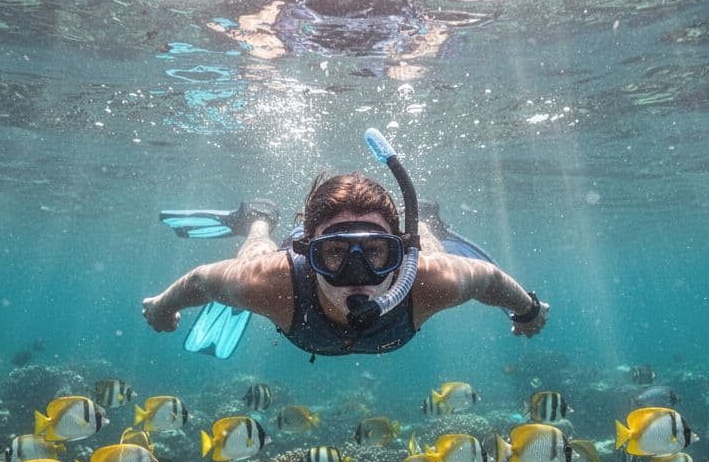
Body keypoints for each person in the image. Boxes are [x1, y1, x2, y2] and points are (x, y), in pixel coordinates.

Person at [142, 149, 547, 359]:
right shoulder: (271, 283)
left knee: (432, 254)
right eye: (334, 252)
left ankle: (418, 221)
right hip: (282, 271)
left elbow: (488, 279)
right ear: (306, 250)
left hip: (413, 254)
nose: (360, 273)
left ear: (398, 252)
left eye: (376, 251)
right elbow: (201, 281)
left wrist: (527, 308)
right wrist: (162, 304)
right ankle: (260, 219)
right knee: (253, 257)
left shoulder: (428, 278)